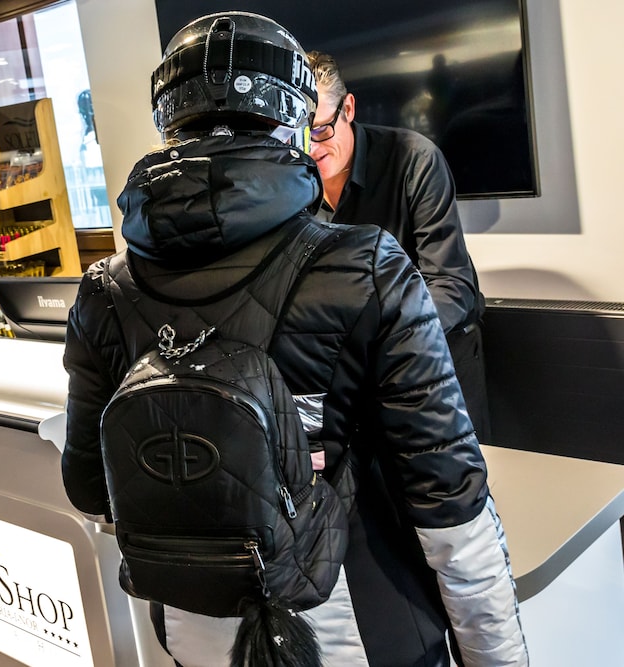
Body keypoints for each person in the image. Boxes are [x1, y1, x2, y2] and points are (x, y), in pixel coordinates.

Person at [61, 11, 527, 667]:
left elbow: (90, 484)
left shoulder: (102, 293)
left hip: (195, 633)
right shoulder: (368, 268)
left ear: (168, 122)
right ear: (295, 121)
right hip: (356, 633)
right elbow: (450, 502)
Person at [306, 51, 492, 442]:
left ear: (348, 108)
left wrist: (378, 340)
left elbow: (452, 286)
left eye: (320, 130)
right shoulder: (290, 184)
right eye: (298, 135)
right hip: (351, 371)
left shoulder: (415, 159)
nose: (311, 149)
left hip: (438, 356)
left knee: (457, 474)